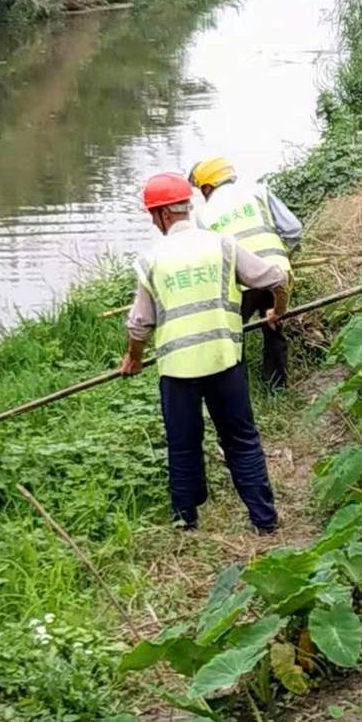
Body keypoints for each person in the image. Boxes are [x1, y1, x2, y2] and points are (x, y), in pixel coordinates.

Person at [121, 172, 287, 534]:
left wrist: (133, 358)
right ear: (187, 207)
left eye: (152, 214)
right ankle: (265, 520)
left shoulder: (152, 260)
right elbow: (276, 278)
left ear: (163, 215)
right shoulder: (222, 245)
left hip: (178, 372)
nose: (153, 221)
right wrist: (278, 311)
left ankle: (186, 523)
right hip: (224, 361)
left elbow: (139, 325)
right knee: (241, 441)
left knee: (183, 446)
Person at [189, 157, 301, 388]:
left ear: (207, 187)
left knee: (231, 333)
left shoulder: (204, 213)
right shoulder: (258, 192)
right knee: (274, 325)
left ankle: (236, 388)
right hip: (275, 274)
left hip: (238, 282)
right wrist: (283, 256)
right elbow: (293, 229)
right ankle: (276, 385)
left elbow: (207, 255)